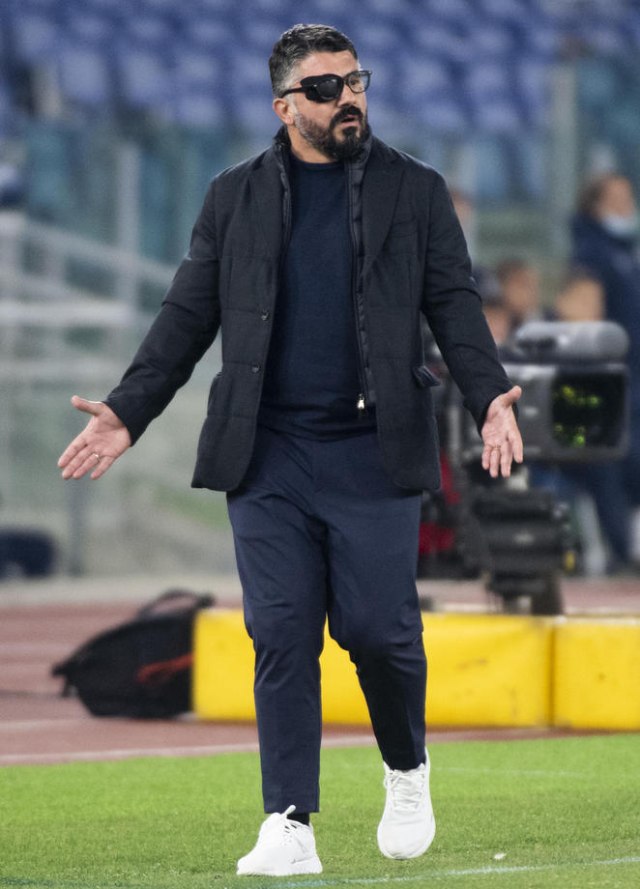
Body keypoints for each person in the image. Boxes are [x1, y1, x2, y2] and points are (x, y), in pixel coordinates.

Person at [58, 24, 523, 878]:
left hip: (373, 448)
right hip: (268, 451)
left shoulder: (416, 190)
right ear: (284, 106)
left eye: (355, 81)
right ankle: (288, 820)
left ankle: (406, 767)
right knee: (279, 630)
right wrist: (128, 410)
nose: (348, 98)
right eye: (325, 87)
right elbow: (185, 317)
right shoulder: (232, 196)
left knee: (377, 632)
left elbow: (456, 306)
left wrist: (489, 395)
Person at [572, 173, 640, 523]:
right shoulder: (593, 253)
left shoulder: (625, 252)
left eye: (628, 199)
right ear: (596, 205)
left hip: (632, 373)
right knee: (613, 464)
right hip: (611, 375)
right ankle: (617, 544)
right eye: (617, 200)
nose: (627, 207)